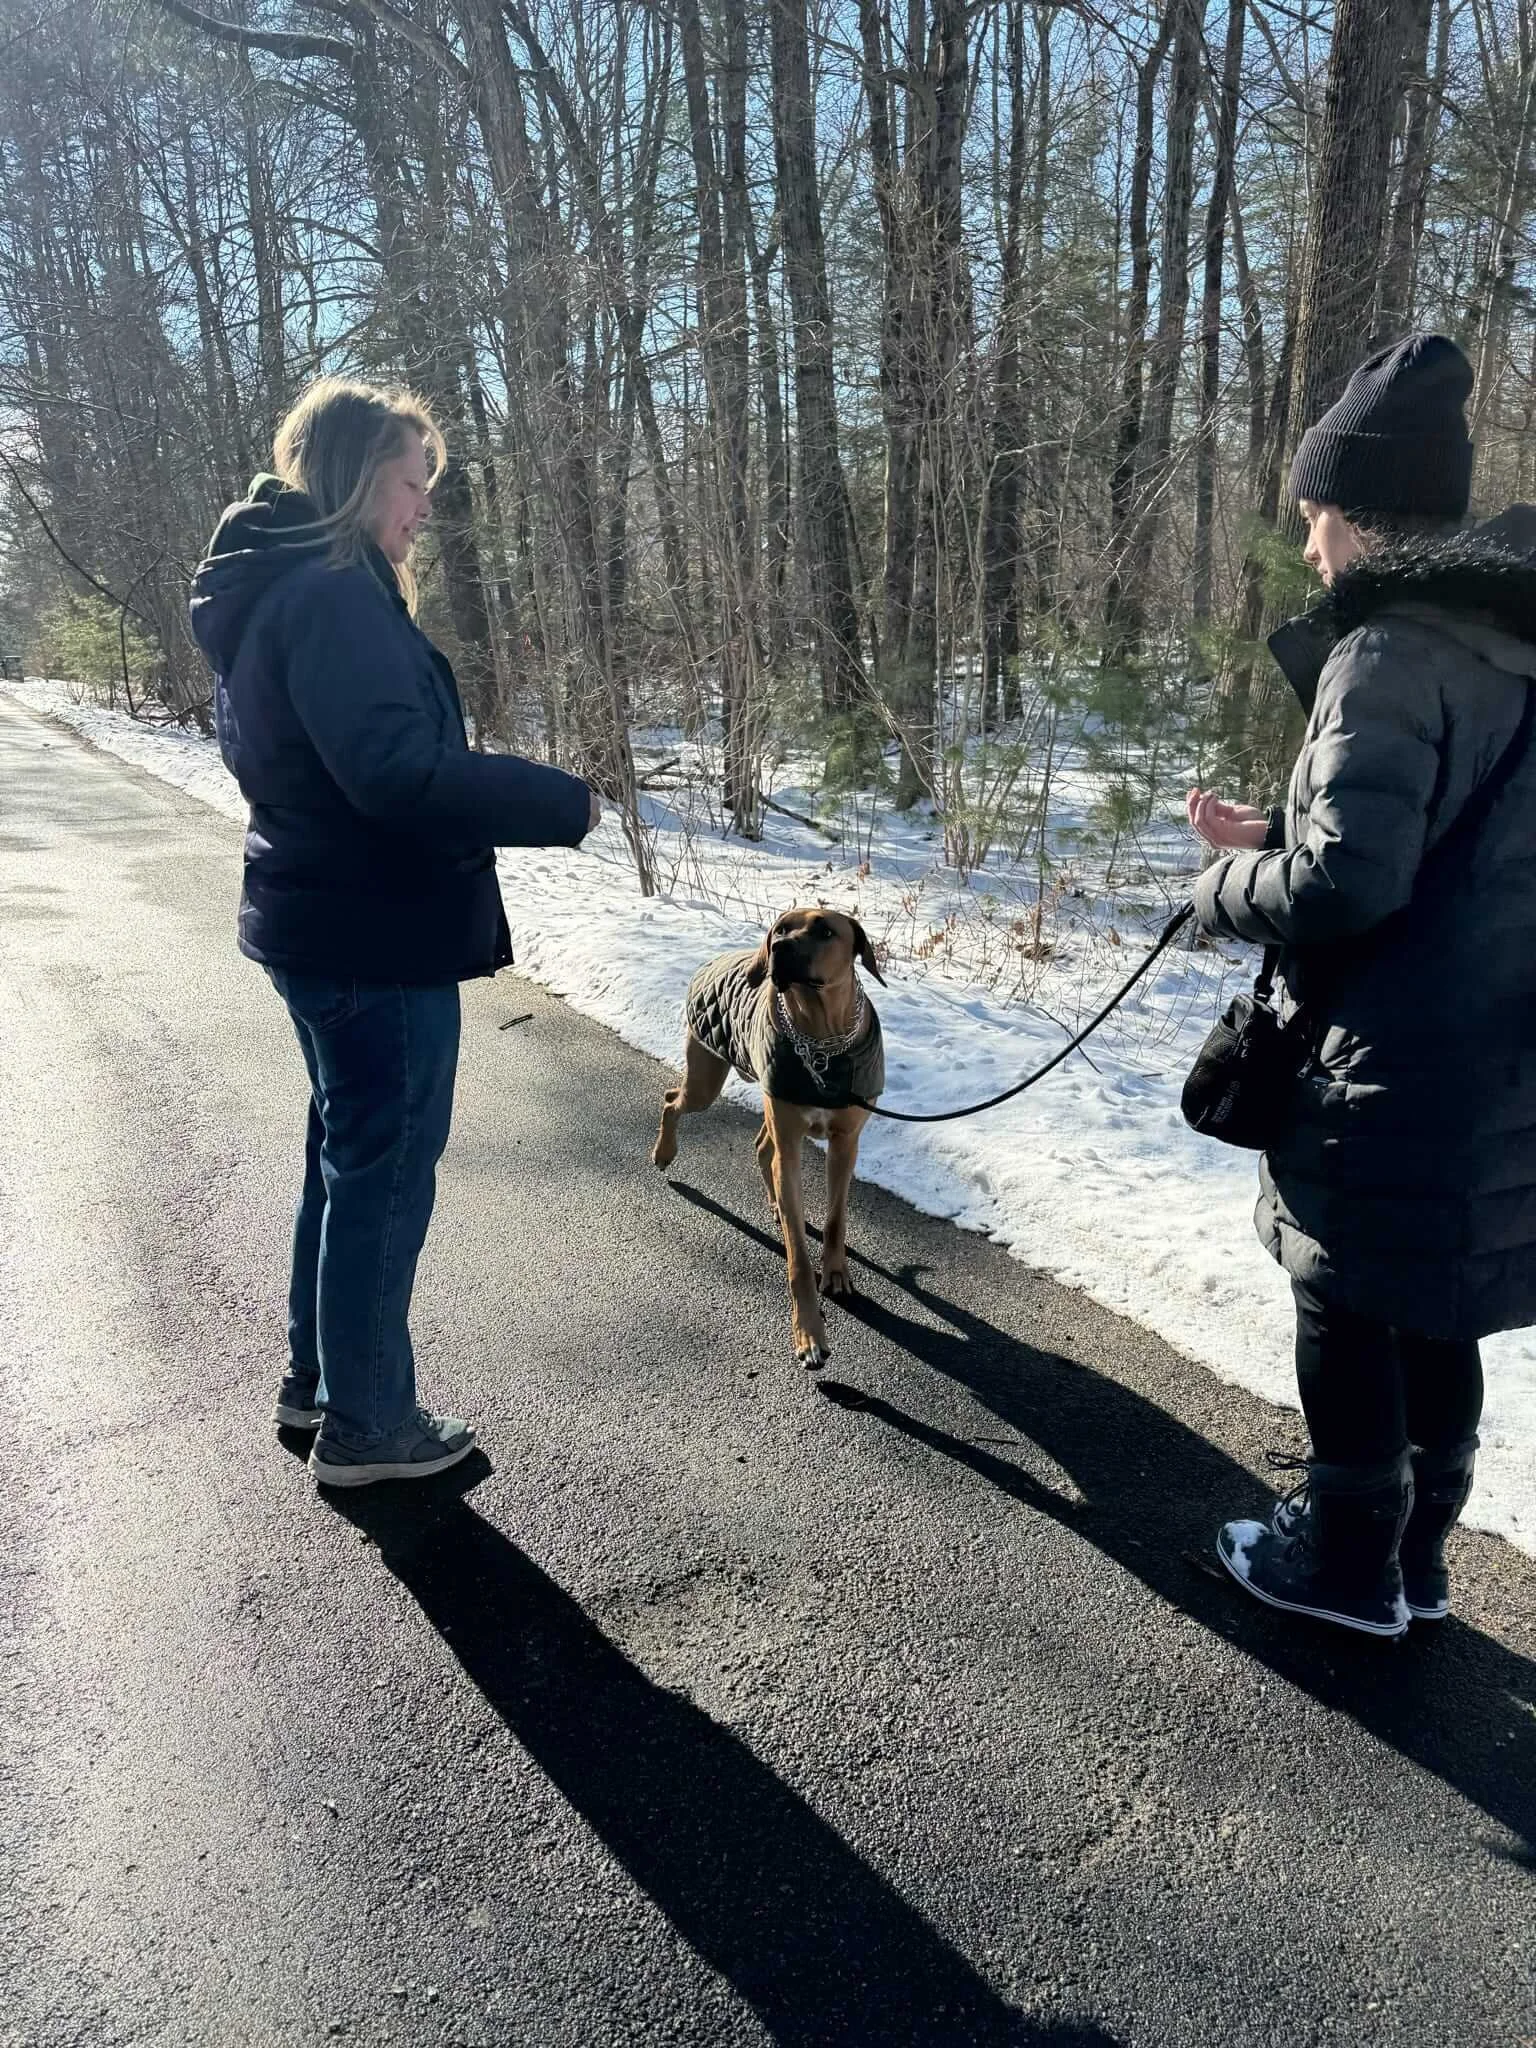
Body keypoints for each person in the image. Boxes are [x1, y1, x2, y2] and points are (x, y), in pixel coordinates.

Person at [1187, 332, 1536, 1637]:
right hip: (1499, 1069)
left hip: (1387, 1069)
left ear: (1355, 514)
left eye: (1315, 516)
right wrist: (1270, 841)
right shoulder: (1510, 640)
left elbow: (1353, 889)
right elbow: (1455, 854)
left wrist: (1220, 894)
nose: (1310, 545)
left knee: (1345, 1297)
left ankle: (1340, 1569)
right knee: (1436, 1311)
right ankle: (1419, 1565)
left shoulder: (1386, 654)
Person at [190, 378, 598, 1488]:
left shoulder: (285, 584)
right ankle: (369, 1425)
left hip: (323, 916)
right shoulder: (328, 595)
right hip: (372, 931)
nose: (425, 506)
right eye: (414, 481)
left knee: (348, 1156)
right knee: (382, 1170)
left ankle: (321, 1381)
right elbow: (393, 773)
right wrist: (556, 800)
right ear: (360, 475)